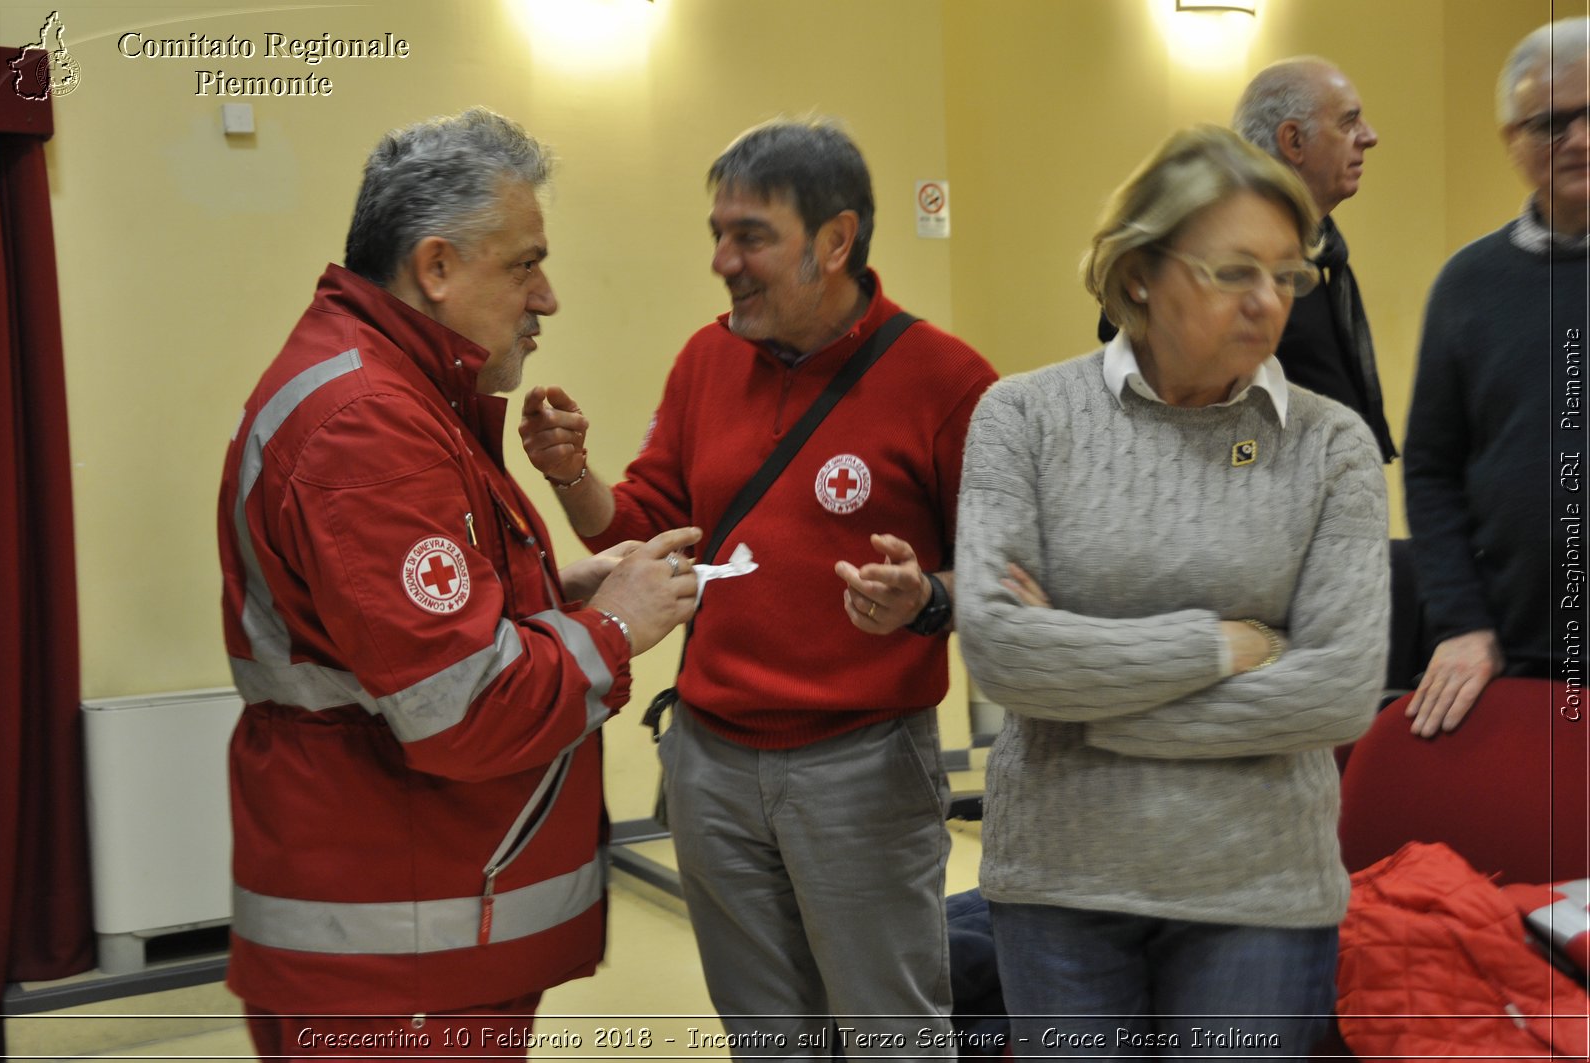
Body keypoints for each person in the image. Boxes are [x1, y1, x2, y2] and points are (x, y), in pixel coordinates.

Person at [216, 108, 700, 1059]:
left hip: (407, 924)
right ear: (435, 268)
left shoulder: (397, 392)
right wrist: (614, 628)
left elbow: (396, 628)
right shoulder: (368, 427)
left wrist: (561, 590)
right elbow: (462, 706)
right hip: (396, 955)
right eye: (526, 264)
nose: (548, 297)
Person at [519, 118, 998, 1057]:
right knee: (767, 1037)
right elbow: (641, 533)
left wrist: (925, 600)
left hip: (862, 767)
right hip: (712, 764)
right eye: (717, 233)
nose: (722, 261)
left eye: (750, 237)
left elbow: (1004, 572)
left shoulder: (948, 380)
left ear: (834, 240)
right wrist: (574, 474)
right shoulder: (707, 360)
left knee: (889, 1031)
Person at [954, 125, 1388, 1059]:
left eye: (1287, 274)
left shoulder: (1332, 443)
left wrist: (1086, 697)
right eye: (1236, 271)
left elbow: (1341, 688)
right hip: (1061, 882)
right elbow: (997, 649)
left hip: (1262, 892)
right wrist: (1225, 647)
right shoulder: (1024, 417)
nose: (1269, 300)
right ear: (1141, 271)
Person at [1402, 16, 1590, 738]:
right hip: (1510, 659)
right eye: (1549, 123)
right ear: (1511, 141)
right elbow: (1430, 469)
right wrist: (1461, 621)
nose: (1577, 139)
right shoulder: (1467, 285)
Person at [1100, 57, 1394, 463]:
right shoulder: (1198, 242)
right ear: (1293, 141)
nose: (1370, 137)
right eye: (1348, 122)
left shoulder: (1322, 250)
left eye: (1284, 276)